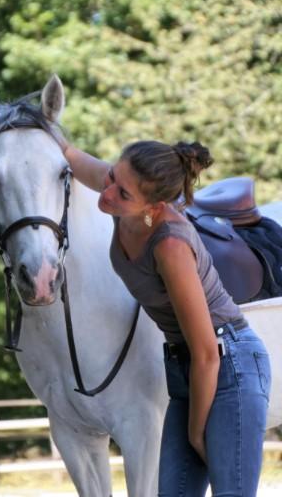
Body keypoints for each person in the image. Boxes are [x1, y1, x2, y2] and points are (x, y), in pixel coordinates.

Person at [58, 137, 271, 497]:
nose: (107, 194)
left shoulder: (170, 245)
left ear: (154, 207)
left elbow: (206, 350)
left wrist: (194, 430)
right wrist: (32, 123)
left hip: (228, 364)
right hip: (188, 368)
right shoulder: (121, 197)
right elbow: (69, 155)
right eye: (111, 177)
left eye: (122, 194)